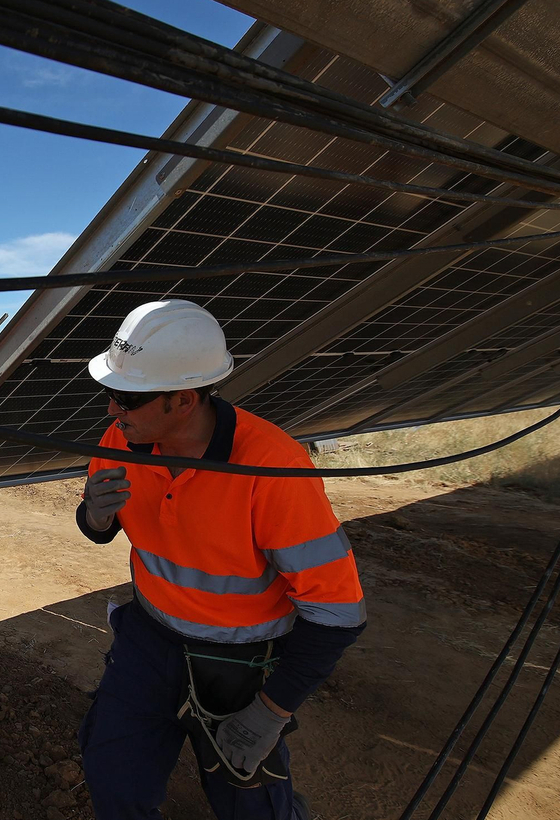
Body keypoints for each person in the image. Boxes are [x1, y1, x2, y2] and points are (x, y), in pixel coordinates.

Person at [75, 300, 366, 820]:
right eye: (110, 394)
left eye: (126, 398)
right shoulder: (121, 438)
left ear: (183, 399)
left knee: (252, 807)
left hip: (242, 662)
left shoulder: (273, 466)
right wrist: (94, 519)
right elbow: (104, 527)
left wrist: (269, 713)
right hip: (149, 639)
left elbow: (337, 612)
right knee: (114, 777)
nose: (111, 411)